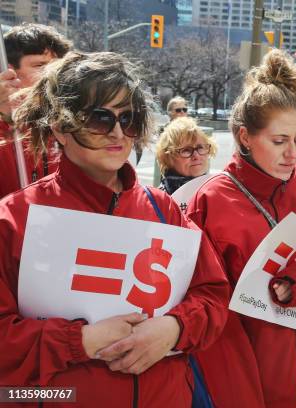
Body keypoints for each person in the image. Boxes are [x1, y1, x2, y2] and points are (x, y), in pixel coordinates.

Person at [0, 51, 230, 406]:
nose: (119, 133)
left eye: (129, 118)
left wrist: (175, 328)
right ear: (60, 127)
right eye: (99, 118)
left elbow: (213, 296)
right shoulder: (15, 219)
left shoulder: (163, 207)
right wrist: (79, 341)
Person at [186, 50, 296, 407]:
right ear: (245, 138)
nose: (292, 153)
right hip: (238, 372)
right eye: (279, 141)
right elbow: (204, 298)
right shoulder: (211, 200)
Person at [0, 23, 72, 199]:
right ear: (10, 71)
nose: (51, 74)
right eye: (40, 65)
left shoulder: (68, 123)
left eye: (57, 66)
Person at [156, 117, 218, 195]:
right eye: (186, 150)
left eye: (200, 147)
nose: (196, 156)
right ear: (168, 157)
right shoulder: (159, 200)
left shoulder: (217, 192)